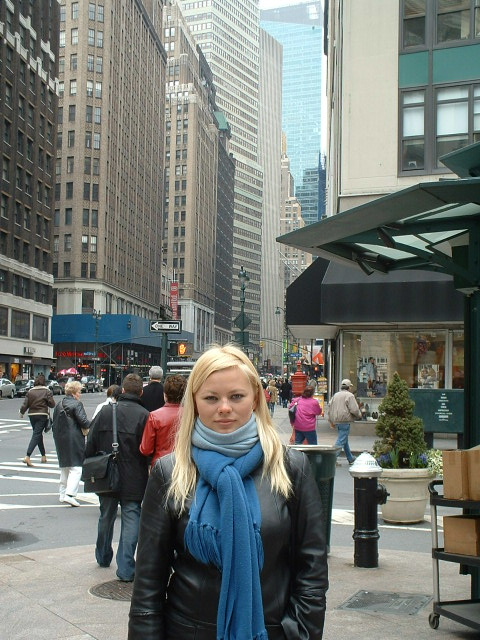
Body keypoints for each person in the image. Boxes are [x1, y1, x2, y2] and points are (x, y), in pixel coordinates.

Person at [128, 344, 328, 639]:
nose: (224, 407)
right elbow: (148, 582)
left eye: (236, 396)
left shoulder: (290, 468)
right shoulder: (170, 472)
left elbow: (311, 568)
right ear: (194, 401)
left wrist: (300, 632)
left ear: (255, 398)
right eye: (211, 398)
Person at [86, 373, 150, 583]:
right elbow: (148, 450)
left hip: (106, 474)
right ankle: (126, 567)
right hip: (134, 477)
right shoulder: (145, 416)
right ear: (140, 392)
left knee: (106, 515)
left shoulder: (106, 412)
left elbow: (90, 443)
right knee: (131, 519)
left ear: (123, 390)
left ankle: (103, 555)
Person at [51, 380, 90, 506]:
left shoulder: (59, 403)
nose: (80, 394)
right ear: (74, 392)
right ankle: (70, 494)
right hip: (74, 437)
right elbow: (84, 422)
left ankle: (62, 493)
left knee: (65, 466)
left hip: (60, 437)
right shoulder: (77, 404)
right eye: (79, 391)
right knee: (76, 467)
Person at [140, 374, 187, 466]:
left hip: (161, 464)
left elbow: (146, 449)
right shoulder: (192, 415)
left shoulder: (154, 416)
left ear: (165, 394)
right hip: (185, 464)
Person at [19, 374, 55, 467]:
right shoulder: (47, 391)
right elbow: (52, 404)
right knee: (36, 434)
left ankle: (43, 456)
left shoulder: (30, 391)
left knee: (37, 434)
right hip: (42, 414)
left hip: (32, 415)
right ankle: (28, 456)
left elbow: (25, 404)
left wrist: (22, 412)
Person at [327, 378, 362, 465]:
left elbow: (329, 406)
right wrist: (359, 415)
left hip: (336, 420)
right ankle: (332, 458)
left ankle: (350, 458)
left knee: (344, 439)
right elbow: (354, 409)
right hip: (345, 420)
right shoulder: (350, 396)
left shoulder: (336, 395)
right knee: (341, 440)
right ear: (349, 387)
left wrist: (330, 420)